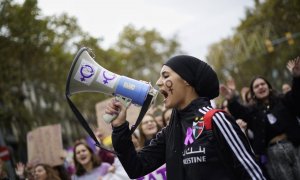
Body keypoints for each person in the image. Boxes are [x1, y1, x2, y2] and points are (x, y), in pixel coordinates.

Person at [105, 55, 266, 179]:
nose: (159, 82)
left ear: (187, 80)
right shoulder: (170, 133)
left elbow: (252, 172)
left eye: (166, 76)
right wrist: (119, 127)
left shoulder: (215, 119)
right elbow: (136, 168)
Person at [220, 57, 300, 180]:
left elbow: (296, 96)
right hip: (274, 156)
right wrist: (231, 99)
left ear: (269, 87)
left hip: (295, 147)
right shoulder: (253, 111)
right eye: (256, 86)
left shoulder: (283, 100)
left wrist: (297, 77)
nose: (260, 87)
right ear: (253, 93)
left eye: (263, 84)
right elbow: (239, 111)